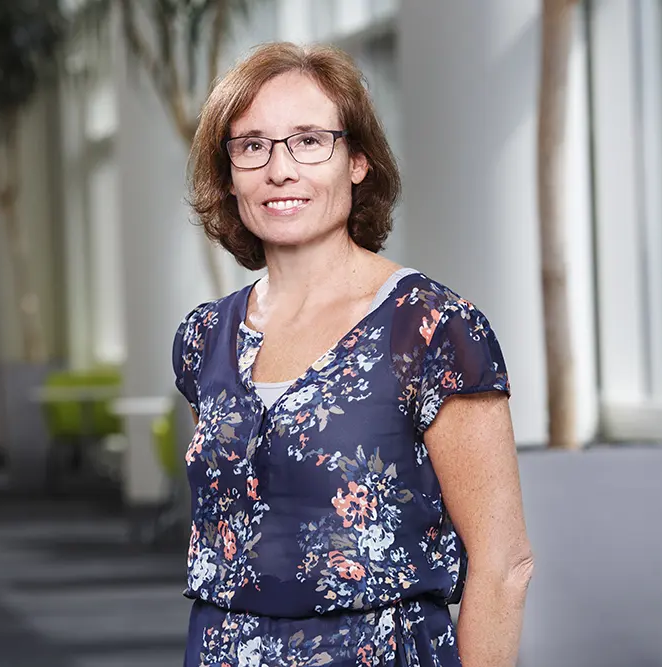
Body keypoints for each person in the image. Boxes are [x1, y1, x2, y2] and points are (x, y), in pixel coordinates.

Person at [173, 41, 533, 667]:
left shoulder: (430, 329)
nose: (279, 170)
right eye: (252, 145)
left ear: (358, 161)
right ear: (229, 174)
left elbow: (504, 566)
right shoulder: (205, 337)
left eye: (310, 140)